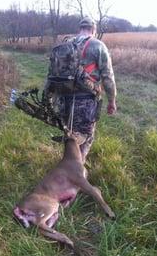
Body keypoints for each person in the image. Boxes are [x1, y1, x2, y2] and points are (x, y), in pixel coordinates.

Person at [45, 16, 117, 161]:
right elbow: (107, 77)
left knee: (69, 134)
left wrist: (48, 96)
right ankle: (77, 173)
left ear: (80, 28)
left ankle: (67, 166)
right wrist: (112, 101)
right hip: (85, 100)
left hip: (63, 99)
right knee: (85, 138)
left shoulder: (66, 44)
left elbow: (52, 72)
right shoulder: (98, 45)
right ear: (93, 29)